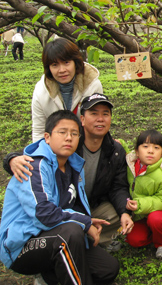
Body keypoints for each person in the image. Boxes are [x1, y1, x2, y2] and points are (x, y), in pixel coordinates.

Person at [0, 110, 119, 285]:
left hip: (55, 236)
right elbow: (44, 214)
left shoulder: (73, 166)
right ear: (47, 137)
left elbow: (72, 205)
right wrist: (84, 223)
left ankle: (51, 275)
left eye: (74, 133)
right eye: (62, 132)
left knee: (107, 269)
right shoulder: (35, 166)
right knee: (70, 233)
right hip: (22, 245)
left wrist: (84, 221)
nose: (69, 138)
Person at [4, 94, 134, 253]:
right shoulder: (69, 142)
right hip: (67, 207)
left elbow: (118, 187)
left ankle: (91, 241)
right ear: (82, 119)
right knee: (66, 226)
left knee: (117, 213)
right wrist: (12, 159)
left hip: (93, 205)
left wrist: (124, 212)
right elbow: (38, 152)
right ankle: (67, 244)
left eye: (105, 114)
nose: (100, 118)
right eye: (94, 113)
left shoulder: (115, 150)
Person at [123, 129, 162, 260]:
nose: (150, 151)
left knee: (156, 219)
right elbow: (124, 152)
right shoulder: (131, 165)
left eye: (156, 147)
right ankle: (152, 232)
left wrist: (140, 204)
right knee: (135, 241)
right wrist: (120, 143)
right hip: (141, 213)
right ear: (137, 152)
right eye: (145, 146)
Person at [31, 37, 103, 142]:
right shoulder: (41, 91)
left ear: (75, 62)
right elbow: (39, 130)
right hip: (56, 147)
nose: (62, 70)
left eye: (66, 63)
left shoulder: (92, 85)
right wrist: (43, 156)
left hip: (85, 144)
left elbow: (98, 123)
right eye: (55, 65)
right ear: (48, 68)